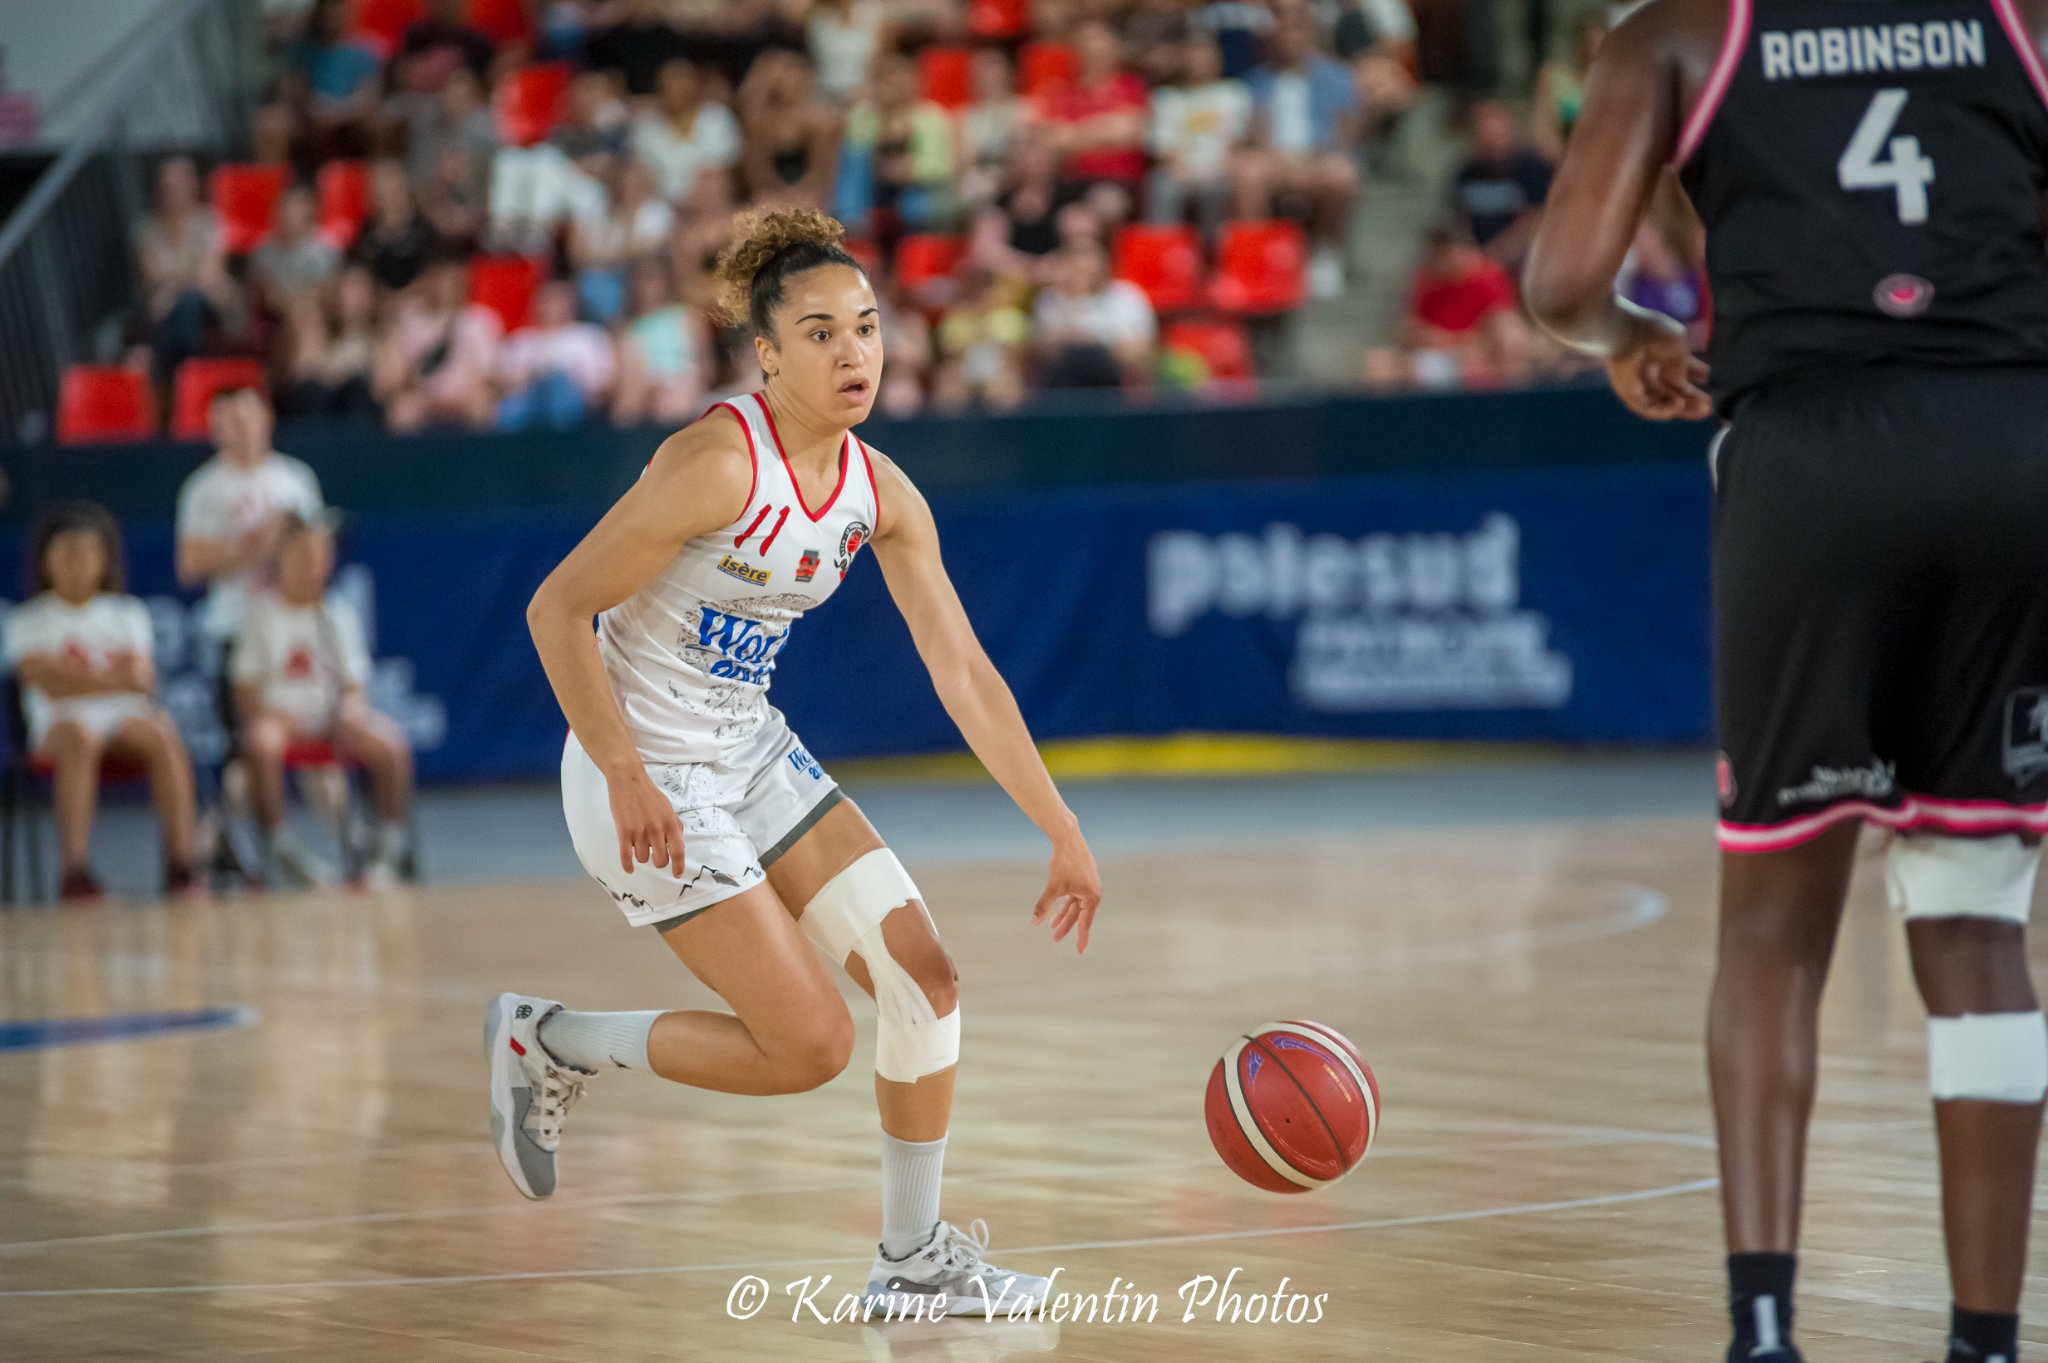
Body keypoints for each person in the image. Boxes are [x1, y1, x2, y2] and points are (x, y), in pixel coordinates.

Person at [1522, 5, 2048, 1363]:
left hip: (1810, 464)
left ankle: (1765, 1330)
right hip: (2011, 451)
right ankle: (1987, 1342)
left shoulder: (1680, 36)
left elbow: (1562, 279)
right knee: (1979, 920)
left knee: (1771, 928)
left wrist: (1632, 325)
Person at [496, 207, 1103, 1317]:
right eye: (820, 332)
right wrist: (624, 768)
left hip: (749, 750)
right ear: (766, 354)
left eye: (866, 327)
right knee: (809, 1046)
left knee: (926, 981)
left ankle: (912, 1263)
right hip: (639, 772)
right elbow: (556, 608)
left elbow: (963, 672)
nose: (853, 352)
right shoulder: (713, 464)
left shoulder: (881, 493)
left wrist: (1059, 828)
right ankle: (553, 1040)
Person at [6, 503, 199, 902]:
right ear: (45, 562)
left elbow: (141, 679)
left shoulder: (127, 613)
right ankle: (75, 872)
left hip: (123, 715)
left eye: (87, 552)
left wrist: (70, 676)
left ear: (104, 560)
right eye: (65, 553)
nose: (77, 563)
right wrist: (111, 677)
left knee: (162, 732)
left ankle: (181, 865)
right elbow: (44, 684)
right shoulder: (25, 620)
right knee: (81, 738)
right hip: (57, 722)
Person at [234, 514, 413, 888]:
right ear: (280, 559)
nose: (309, 563)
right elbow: (245, 694)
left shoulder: (339, 613)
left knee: (391, 744)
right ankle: (281, 848)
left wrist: (350, 708)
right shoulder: (261, 616)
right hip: (280, 719)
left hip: (332, 720)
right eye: (300, 553)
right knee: (262, 741)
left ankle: (389, 850)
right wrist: (280, 717)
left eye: (318, 553)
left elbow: (354, 684)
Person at [175, 388, 325, 661]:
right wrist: (262, 542)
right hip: (235, 622)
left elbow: (317, 554)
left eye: (248, 417)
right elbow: (191, 564)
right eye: (231, 421)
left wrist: (287, 545)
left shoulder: (297, 478)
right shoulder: (203, 488)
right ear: (215, 428)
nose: (242, 428)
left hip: (291, 623)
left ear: (267, 418)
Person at [1241, 6, 1363, 296]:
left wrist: (1314, 160)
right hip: (1275, 160)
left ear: (1310, 35)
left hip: (1319, 158)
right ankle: (1258, 257)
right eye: (1283, 31)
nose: (1289, 38)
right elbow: (1253, 134)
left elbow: (1347, 138)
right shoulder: (1257, 81)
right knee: (1248, 174)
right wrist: (1278, 160)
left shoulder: (1338, 77)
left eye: (1297, 30)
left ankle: (1324, 253)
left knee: (1343, 175)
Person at [376, 255, 504, 431]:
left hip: (464, 395)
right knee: (403, 408)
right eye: (441, 279)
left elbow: (487, 372)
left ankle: (482, 456)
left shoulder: (479, 320)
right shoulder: (409, 318)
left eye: (453, 280)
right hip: (422, 395)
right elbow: (395, 374)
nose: (446, 286)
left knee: (482, 403)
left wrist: (461, 393)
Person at [494, 280, 617, 429]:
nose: (551, 306)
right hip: (527, 403)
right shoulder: (521, 341)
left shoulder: (588, 336)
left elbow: (603, 384)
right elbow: (502, 383)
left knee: (557, 380)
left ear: (570, 304)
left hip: (575, 404)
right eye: (546, 300)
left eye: (557, 299)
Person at [1451, 98, 1552, 270]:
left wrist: (1491, 260)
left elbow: (1534, 222)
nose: (1490, 138)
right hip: (1477, 265)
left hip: (1525, 263)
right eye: (1482, 131)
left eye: (1495, 131)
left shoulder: (1532, 167)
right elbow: (1459, 222)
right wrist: (1471, 257)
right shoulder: (1466, 172)